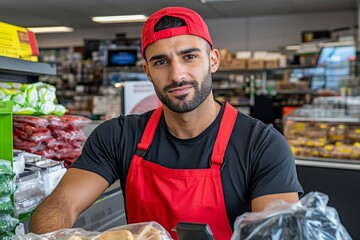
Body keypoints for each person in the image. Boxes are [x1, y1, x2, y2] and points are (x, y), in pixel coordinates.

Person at [29, 6, 303, 240]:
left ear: (213, 60)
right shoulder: (119, 135)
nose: (177, 74)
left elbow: (279, 233)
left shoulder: (262, 144)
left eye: (189, 56)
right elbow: (59, 205)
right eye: (161, 61)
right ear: (147, 71)